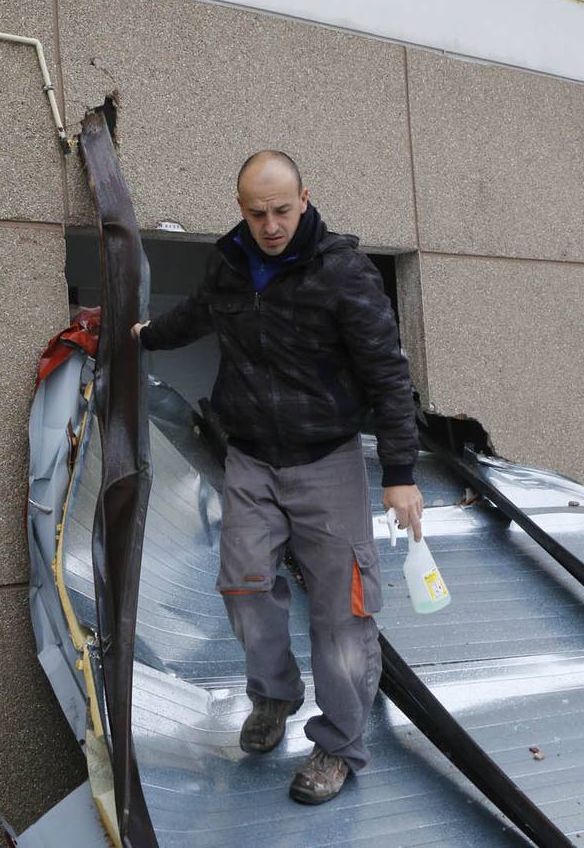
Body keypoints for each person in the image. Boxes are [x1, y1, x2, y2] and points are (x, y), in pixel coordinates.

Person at [132, 151, 423, 804]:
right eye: (258, 213)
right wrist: (144, 336)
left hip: (327, 464)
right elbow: (200, 313)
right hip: (252, 460)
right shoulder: (232, 264)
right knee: (242, 584)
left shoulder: (343, 273)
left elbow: (388, 373)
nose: (271, 225)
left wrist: (401, 473)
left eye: (283, 211)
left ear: (305, 198)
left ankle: (339, 744)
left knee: (341, 612)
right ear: (242, 211)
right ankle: (274, 695)